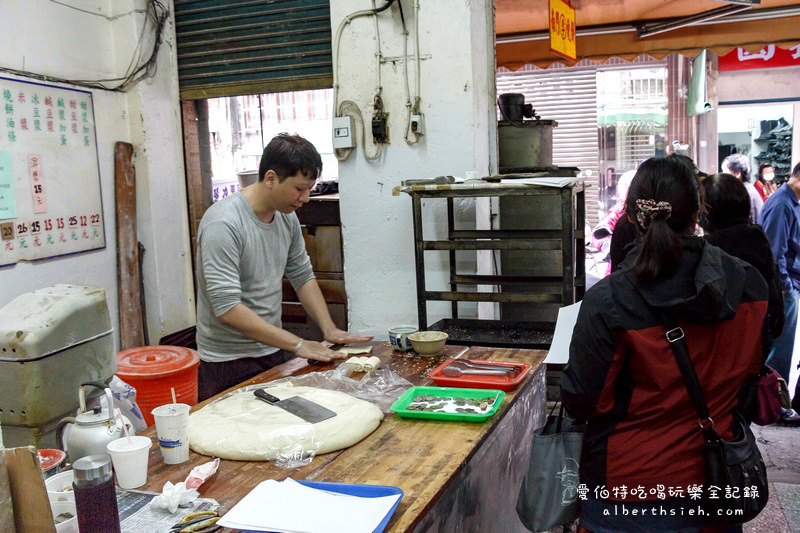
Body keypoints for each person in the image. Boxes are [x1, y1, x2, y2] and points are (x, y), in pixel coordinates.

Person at [562, 155, 768, 532]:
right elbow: (750, 377)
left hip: (628, 491)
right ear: (699, 211)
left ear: (630, 215)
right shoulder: (749, 284)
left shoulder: (611, 300)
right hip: (717, 481)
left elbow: (582, 399)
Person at [195, 133, 372, 401]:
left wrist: (329, 328)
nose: (306, 198)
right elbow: (227, 309)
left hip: (272, 350)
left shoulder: (285, 218)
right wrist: (299, 344)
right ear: (270, 178)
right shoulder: (224, 223)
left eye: (310, 189)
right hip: (227, 362)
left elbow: (302, 276)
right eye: (299, 188)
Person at [700, 172, 784, 343]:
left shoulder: (707, 252)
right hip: (758, 344)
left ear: (705, 212)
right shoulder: (759, 241)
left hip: (722, 351)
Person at [760, 162, 800, 424]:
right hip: (784, 288)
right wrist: (785, 289)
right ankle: (774, 405)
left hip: (790, 285)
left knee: (781, 348)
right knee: (779, 351)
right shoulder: (782, 204)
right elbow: (775, 254)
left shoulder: (792, 202)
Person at [721, 153, 763, 224]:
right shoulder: (744, 190)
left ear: (737, 173)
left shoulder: (743, 193)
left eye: (725, 172)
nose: (722, 175)